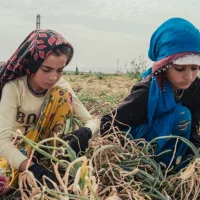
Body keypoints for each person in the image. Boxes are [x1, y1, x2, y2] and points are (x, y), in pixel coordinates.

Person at [0, 29, 99, 194]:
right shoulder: (15, 88)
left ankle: (57, 162)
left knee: (61, 94)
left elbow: (93, 121)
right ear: (32, 64)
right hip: (13, 149)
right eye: (46, 70)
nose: (53, 77)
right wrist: (32, 168)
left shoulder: (61, 89)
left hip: (46, 149)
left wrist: (86, 132)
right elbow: (2, 141)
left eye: (59, 70)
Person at [100, 17, 200, 168]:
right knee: (181, 115)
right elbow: (109, 123)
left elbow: (192, 127)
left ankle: (176, 165)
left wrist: (195, 157)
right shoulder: (147, 92)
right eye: (180, 68)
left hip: (172, 145)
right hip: (142, 149)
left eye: (194, 68)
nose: (189, 76)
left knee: (185, 117)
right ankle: (158, 167)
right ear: (164, 65)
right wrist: (128, 157)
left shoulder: (195, 89)